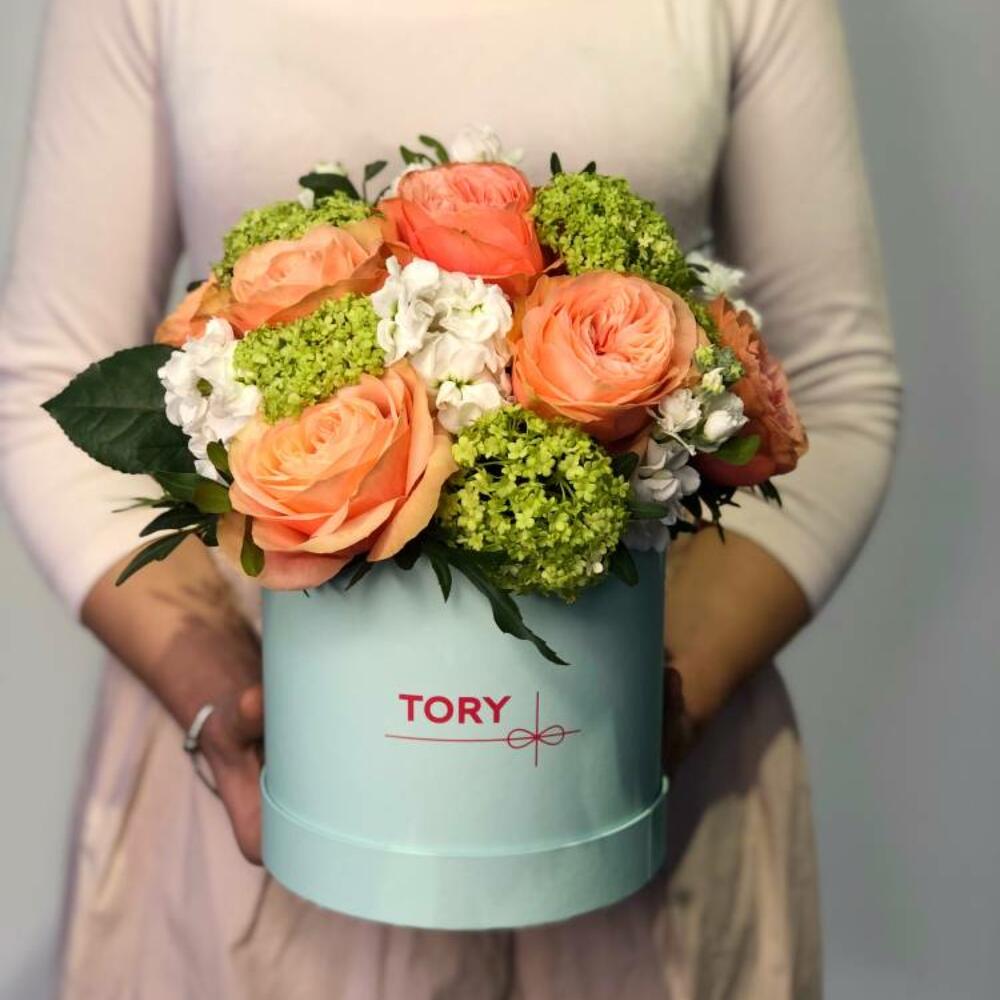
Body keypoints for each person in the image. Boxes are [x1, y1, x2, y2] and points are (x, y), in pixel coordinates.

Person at [0, 0, 900, 996]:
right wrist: (216, 689)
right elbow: (47, 377)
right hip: (260, 774)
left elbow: (836, 387)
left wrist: (663, 689)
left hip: (639, 762)